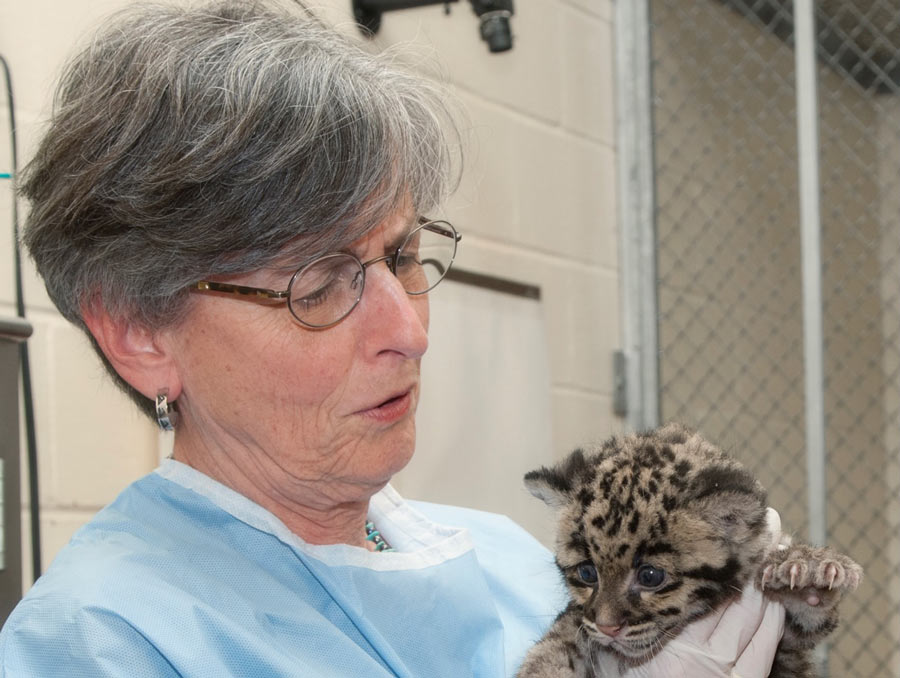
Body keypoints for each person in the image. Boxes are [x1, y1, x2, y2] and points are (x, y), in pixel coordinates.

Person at [0, 1, 785, 676]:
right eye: (318, 284)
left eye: (403, 256)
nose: (410, 331)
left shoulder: (516, 564)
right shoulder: (105, 641)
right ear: (140, 334)